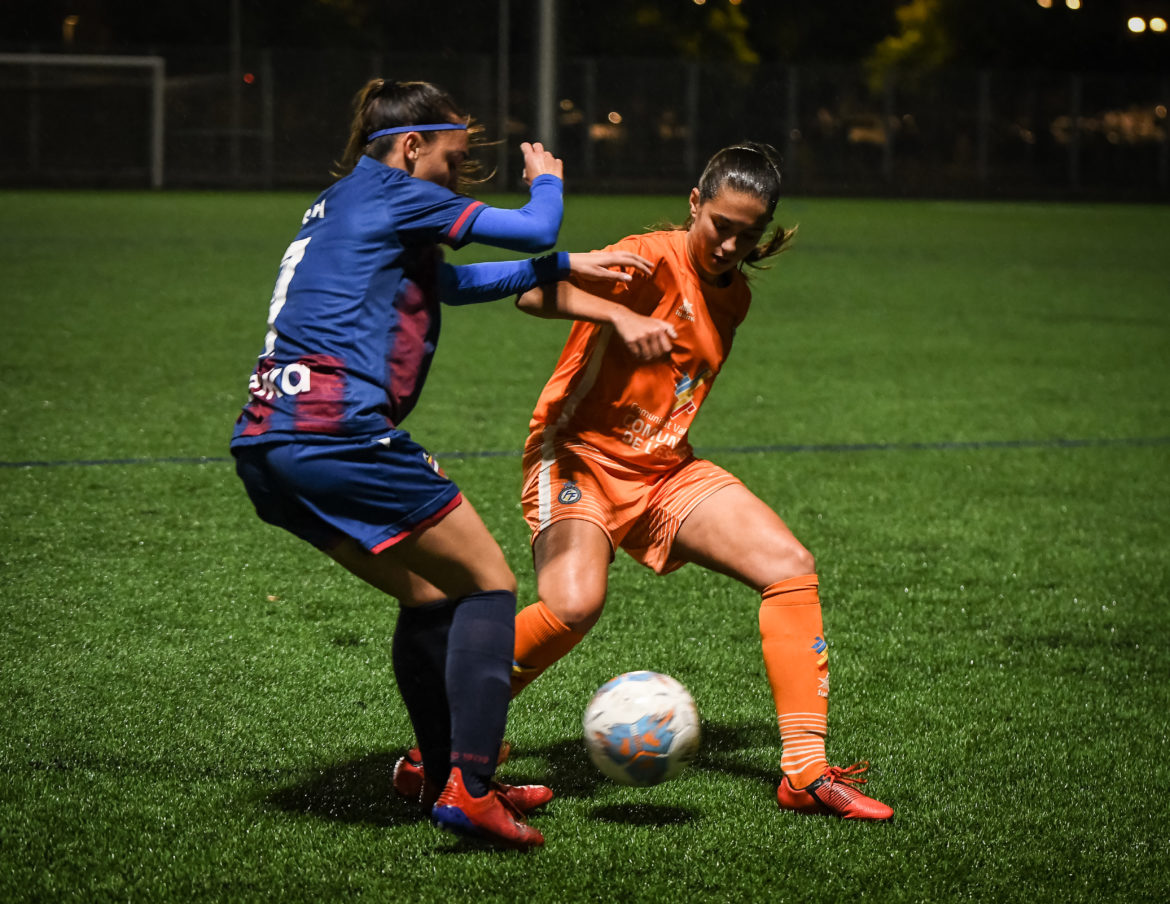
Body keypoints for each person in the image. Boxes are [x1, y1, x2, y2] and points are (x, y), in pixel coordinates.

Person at [391, 140, 894, 821]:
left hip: (663, 470)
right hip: (576, 459)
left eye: (746, 236)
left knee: (790, 566)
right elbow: (533, 296)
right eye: (720, 226)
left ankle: (804, 773)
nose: (727, 246)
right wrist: (618, 313)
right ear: (695, 204)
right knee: (573, 605)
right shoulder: (650, 255)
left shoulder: (734, 294)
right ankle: (440, 741)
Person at [230, 78, 652, 850]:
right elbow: (531, 228)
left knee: (429, 597)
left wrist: (561, 267)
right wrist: (549, 181)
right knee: (489, 584)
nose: (458, 176)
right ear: (411, 144)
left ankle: (435, 772)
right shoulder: (397, 189)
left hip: (267, 440)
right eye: (454, 160)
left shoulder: (344, 199)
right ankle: (473, 787)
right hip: (336, 431)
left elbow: (444, 286)